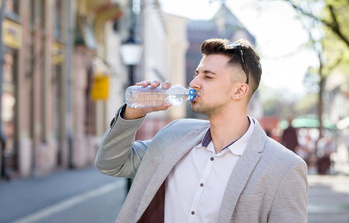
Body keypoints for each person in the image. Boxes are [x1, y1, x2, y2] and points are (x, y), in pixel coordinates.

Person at [95, 38, 308, 223]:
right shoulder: (176, 134)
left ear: (239, 90)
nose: (194, 82)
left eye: (208, 76)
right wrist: (132, 114)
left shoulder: (285, 167)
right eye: (197, 73)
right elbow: (111, 164)